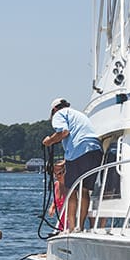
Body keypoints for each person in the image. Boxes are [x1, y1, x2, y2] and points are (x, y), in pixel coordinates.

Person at [42, 98, 102, 230]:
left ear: (54, 110)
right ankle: (79, 227)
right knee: (85, 190)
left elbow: (64, 132)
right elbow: (80, 137)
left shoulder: (59, 114)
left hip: (79, 151)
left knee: (71, 190)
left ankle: (71, 228)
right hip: (95, 150)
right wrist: (65, 161)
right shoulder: (79, 115)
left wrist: (49, 141)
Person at [47, 160, 66, 230]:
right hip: (61, 222)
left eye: (60, 173)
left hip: (72, 221)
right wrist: (52, 207)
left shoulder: (72, 185)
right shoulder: (56, 185)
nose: (57, 176)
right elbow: (56, 200)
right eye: (55, 174)